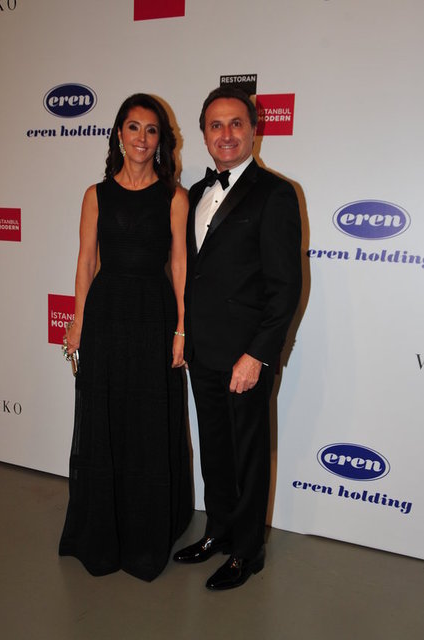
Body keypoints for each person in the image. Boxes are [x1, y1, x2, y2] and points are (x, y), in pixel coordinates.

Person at [173, 86, 302, 590]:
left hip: (246, 356)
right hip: (203, 350)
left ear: (254, 129)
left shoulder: (276, 193)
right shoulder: (193, 194)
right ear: (204, 134)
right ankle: (219, 531)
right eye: (215, 125)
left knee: (248, 456)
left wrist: (258, 355)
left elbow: (285, 287)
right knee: (215, 450)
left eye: (235, 123)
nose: (225, 134)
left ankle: (248, 552)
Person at [59, 93, 192, 581]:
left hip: (154, 315)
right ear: (119, 134)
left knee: (147, 422)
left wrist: (182, 327)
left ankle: (144, 533)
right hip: (106, 314)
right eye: (133, 127)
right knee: (106, 419)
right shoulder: (95, 195)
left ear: (161, 141)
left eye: (151, 130)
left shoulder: (174, 197)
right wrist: (77, 322)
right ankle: (101, 530)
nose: (141, 138)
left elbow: (179, 265)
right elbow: (85, 262)